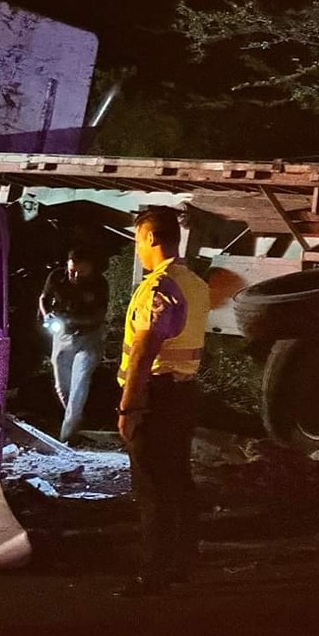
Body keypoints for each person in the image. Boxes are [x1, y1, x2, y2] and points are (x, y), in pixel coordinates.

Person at [115, 207, 210, 598]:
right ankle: (182, 562)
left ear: (152, 238)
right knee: (178, 481)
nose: (137, 248)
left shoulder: (160, 286)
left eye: (138, 239)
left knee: (152, 488)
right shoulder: (194, 283)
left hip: (155, 395)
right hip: (183, 393)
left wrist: (128, 407)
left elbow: (143, 350)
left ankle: (153, 573)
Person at [38, 246, 109, 444]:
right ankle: (77, 422)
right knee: (62, 385)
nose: (75, 275)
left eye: (81, 272)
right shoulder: (56, 277)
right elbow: (43, 298)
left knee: (80, 382)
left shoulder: (99, 283)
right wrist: (47, 316)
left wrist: (73, 321)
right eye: (72, 271)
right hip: (62, 336)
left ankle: (66, 435)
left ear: (91, 269)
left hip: (89, 337)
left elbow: (99, 315)